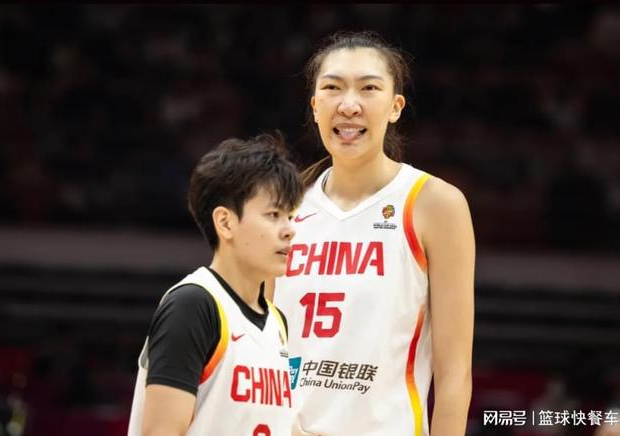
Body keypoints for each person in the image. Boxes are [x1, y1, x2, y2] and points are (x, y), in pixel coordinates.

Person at [272, 31, 475, 436]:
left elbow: (454, 374)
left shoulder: (435, 204)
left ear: (395, 107)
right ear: (315, 106)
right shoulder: (284, 206)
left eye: (368, 88)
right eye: (332, 88)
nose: (348, 105)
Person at [127, 133, 303, 436]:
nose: (289, 230)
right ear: (225, 222)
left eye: (289, 216)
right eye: (273, 215)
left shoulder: (278, 323)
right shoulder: (193, 306)